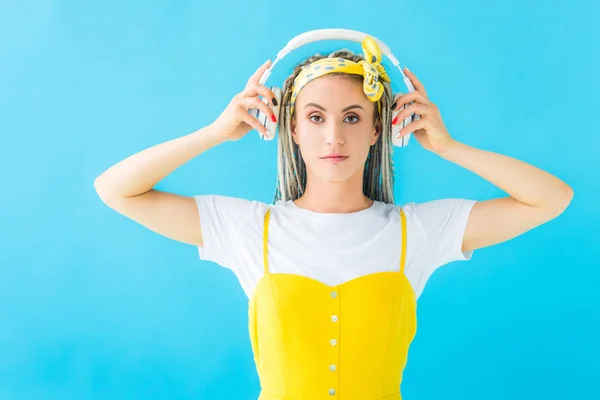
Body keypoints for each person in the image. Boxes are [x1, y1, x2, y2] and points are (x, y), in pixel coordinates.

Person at [94, 36, 573, 400]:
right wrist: (215, 133)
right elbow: (116, 189)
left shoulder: (418, 232)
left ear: (377, 130)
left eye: (351, 117)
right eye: (316, 117)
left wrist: (449, 147)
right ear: (293, 130)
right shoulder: (248, 229)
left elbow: (550, 199)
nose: (333, 139)